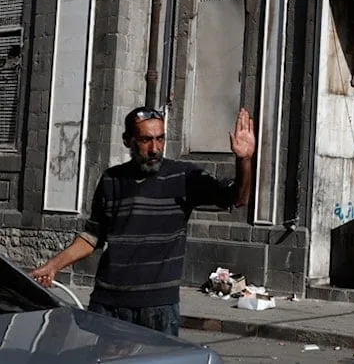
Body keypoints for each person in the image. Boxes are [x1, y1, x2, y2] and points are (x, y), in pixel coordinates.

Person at [30, 106, 256, 336]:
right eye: (145, 140)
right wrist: (53, 266)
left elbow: (238, 198)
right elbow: (92, 237)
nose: (155, 149)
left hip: (158, 309)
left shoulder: (183, 177)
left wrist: (244, 160)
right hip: (108, 305)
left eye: (160, 139)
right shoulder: (112, 179)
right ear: (128, 140)